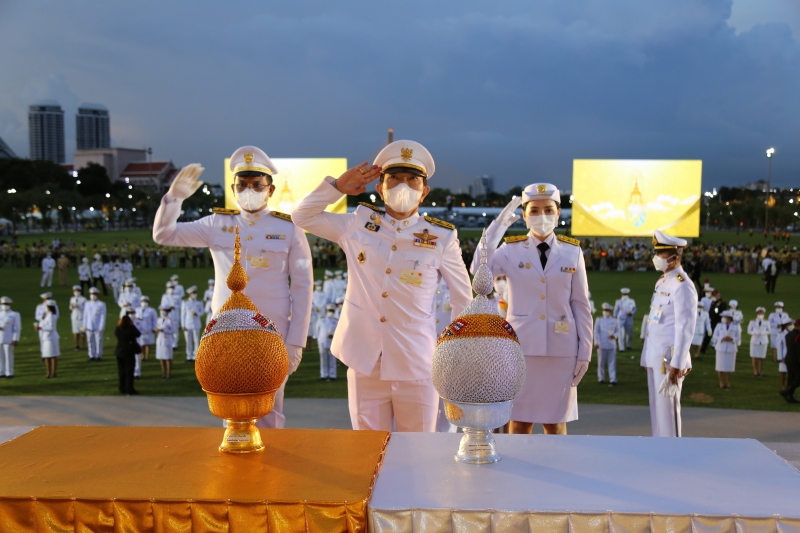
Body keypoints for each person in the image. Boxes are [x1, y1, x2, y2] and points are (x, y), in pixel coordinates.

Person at [293, 140, 472, 432]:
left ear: (424, 192)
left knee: (420, 452)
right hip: (365, 359)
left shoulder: (441, 238)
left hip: (417, 363)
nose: (403, 186)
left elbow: (464, 299)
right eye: (394, 179)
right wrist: (337, 186)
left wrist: (454, 354)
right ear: (380, 188)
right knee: (366, 455)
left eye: (412, 180)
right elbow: (302, 216)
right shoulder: (356, 225)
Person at [153, 146, 313, 429]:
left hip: (272, 332)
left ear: (270, 189)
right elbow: (164, 234)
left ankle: (267, 469)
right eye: (243, 184)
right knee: (229, 406)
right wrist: (173, 198)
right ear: (233, 187)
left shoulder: (289, 228)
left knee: (268, 411)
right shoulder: (218, 223)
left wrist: (296, 341)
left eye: (257, 185)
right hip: (226, 330)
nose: (249, 189)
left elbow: (303, 287)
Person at [472, 182, 592, 435]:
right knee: (519, 421)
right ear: (524, 216)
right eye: (534, 211)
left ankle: (556, 471)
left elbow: (581, 305)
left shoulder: (572, 251)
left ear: (558, 213)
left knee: (555, 422)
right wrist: (497, 228)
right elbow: (479, 272)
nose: (542, 216)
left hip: (562, 350)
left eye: (548, 210)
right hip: (521, 349)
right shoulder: (510, 250)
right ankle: (517, 473)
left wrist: (586, 352)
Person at [641, 230, 697, 437]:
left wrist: (678, 364)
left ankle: (672, 454)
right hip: (656, 356)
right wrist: (646, 355)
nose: (656, 258)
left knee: (668, 414)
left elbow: (685, 327)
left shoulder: (683, 285)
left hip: (669, 359)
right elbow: (654, 322)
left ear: (674, 257)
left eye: (661, 254)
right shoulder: (663, 282)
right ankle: (659, 449)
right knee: (657, 412)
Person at [114, 314, 141, 395]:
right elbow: (138, 334)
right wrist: (132, 325)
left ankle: (122, 388)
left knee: (121, 371)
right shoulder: (130, 330)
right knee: (129, 371)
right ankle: (130, 389)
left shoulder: (118, 330)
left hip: (119, 351)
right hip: (128, 352)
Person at [713, 310, 739, 389]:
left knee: (729, 367)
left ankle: (728, 382)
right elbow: (715, 335)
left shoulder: (735, 326)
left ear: (729, 318)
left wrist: (732, 338)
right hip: (721, 348)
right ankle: (721, 381)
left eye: (724, 317)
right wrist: (722, 338)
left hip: (731, 348)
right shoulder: (719, 325)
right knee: (720, 366)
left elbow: (738, 337)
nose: (723, 319)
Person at [594, 302, 619, 385]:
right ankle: (601, 378)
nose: (605, 312)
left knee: (612, 363)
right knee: (601, 363)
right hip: (601, 344)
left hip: (611, 344)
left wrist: (615, 336)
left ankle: (613, 379)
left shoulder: (615, 320)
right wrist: (596, 342)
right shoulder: (599, 319)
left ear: (610, 311)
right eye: (604, 310)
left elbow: (619, 331)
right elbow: (596, 331)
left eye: (607, 310)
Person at [36, 300, 60, 378]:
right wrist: (42, 318)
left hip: (51, 338)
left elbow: (50, 327)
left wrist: (40, 328)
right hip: (46, 338)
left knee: (53, 356)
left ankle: (53, 372)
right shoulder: (47, 315)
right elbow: (43, 323)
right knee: (46, 356)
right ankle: (48, 372)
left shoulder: (52, 316)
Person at [83, 287, 106, 361]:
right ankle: (91, 355)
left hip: (98, 326)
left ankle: (98, 355)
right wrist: (84, 326)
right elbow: (85, 315)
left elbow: (103, 316)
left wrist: (101, 326)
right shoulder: (87, 303)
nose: (92, 295)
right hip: (89, 326)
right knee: (90, 341)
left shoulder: (101, 304)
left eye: (94, 294)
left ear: (97, 295)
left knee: (98, 341)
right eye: (91, 294)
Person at [316, 304, 338, 381]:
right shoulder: (321, 319)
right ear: (326, 311)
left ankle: (333, 375)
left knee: (332, 360)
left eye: (332, 311)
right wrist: (319, 340)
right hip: (322, 342)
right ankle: (323, 375)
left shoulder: (336, 320)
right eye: (329, 310)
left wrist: (333, 336)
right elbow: (317, 330)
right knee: (323, 360)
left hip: (332, 343)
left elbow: (339, 332)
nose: (330, 312)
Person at [0, 296, 21, 378]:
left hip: (9, 338)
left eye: (6, 304)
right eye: (3, 304)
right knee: (0, 356)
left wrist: (15, 338)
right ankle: (1, 371)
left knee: (8, 356)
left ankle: (9, 372)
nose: (5, 305)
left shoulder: (14, 314)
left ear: (10, 304)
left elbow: (17, 328)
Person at [181, 286, 203, 362]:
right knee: (188, 341)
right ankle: (189, 356)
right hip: (188, 324)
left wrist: (197, 314)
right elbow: (183, 314)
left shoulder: (199, 301)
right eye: (193, 293)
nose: (194, 294)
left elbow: (202, 311)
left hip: (196, 323)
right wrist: (183, 325)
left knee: (196, 340)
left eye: (195, 292)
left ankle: (195, 355)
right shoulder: (185, 302)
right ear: (190, 294)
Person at [781, 318, 800, 403]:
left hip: (788, 358)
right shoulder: (798, 336)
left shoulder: (789, 334)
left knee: (791, 378)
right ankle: (786, 391)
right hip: (795, 359)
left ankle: (789, 397)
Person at [748, 306, 770, 376]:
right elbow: (749, 330)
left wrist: (763, 333)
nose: (760, 314)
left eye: (762, 313)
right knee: (754, 356)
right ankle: (755, 370)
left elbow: (769, 330)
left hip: (763, 340)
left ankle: (760, 370)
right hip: (755, 340)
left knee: (761, 357)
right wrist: (754, 333)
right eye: (759, 313)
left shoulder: (766, 322)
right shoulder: (752, 322)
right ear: (756, 313)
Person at [155, 305, 175, 379]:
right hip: (160, 340)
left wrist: (164, 330)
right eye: (162, 310)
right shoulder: (159, 319)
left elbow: (173, 330)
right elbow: (156, 327)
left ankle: (168, 373)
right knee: (161, 357)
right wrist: (157, 330)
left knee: (168, 357)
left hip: (167, 340)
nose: (162, 312)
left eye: (164, 310)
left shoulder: (170, 320)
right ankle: (164, 372)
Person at [613, 288, 636, 352]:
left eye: (626, 294)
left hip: (629, 319)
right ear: (621, 294)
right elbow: (616, 310)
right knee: (621, 333)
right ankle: (621, 348)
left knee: (629, 333)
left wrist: (631, 313)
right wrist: (615, 317)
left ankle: (628, 345)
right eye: (624, 294)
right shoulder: (618, 301)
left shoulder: (631, 301)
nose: (625, 295)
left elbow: (634, 309)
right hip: (620, 318)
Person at [136, 296, 157, 363]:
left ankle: (147, 356)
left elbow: (154, 320)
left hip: (149, 329)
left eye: (145, 301)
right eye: (143, 301)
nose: (144, 303)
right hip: (140, 329)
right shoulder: (137, 309)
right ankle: (142, 355)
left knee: (148, 343)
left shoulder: (151, 310)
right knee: (141, 343)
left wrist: (154, 328)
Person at [161, 282, 182, 348]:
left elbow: (180, 305)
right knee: (167, 328)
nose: (171, 289)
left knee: (175, 330)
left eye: (172, 288)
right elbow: (162, 305)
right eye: (170, 288)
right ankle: (169, 342)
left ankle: (175, 344)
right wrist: (168, 307)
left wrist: (175, 306)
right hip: (167, 315)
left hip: (175, 315)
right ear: (167, 289)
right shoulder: (165, 296)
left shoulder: (177, 296)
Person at [777, 317, 793, 392]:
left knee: (792, 372)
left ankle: (790, 386)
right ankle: (783, 385)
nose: (791, 325)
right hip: (785, 355)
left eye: (791, 323)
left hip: (793, 355)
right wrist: (779, 357)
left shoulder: (794, 333)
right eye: (789, 324)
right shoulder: (781, 335)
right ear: (785, 325)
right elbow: (779, 347)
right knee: (783, 371)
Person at [69, 285, 87, 350]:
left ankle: (83, 344)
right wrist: (72, 306)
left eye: (77, 291)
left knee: (83, 331)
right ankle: (76, 344)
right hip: (74, 317)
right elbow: (70, 307)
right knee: (75, 331)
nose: (76, 292)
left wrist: (79, 307)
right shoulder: (72, 298)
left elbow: (86, 308)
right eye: (75, 291)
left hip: (81, 317)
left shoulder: (83, 299)